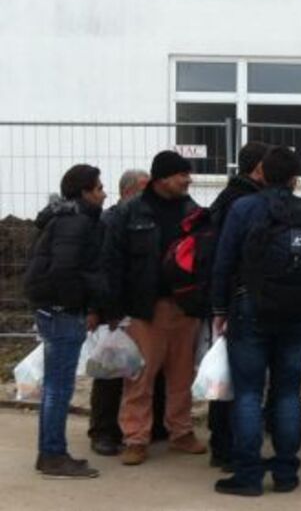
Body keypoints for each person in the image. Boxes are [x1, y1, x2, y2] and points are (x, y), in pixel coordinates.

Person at [210, 147, 301, 496]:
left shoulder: (244, 208)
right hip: (297, 314)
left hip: (250, 309)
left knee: (248, 393)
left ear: (261, 173)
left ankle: (248, 475)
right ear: (295, 179)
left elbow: (224, 261)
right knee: (288, 393)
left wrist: (219, 309)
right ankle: (286, 472)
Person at [102, 151, 207, 466]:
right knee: (140, 377)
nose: (188, 180)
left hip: (185, 309)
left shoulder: (194, 212)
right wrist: (113, 309)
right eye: (182, 175)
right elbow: (112, 262)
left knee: (182, 376)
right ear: (163, 178)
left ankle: (181, 432)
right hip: (146, 310)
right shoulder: (129, 213)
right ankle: (135, 438)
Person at [24, 164, 109, 478]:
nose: (104, 194)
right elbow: (64, 269)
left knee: (55, 386)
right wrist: (76, 305)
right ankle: (52, 455)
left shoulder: (68, 218)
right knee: (58, 388)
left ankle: (50, 452)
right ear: (85, 192)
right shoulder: (75, 222)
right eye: (99, 188)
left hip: (57, 309)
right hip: (62, 312)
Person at [205, 141, 269, 471]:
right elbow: (228, 257)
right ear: (259, 169)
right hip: (238, 301)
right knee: (235, 380)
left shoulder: (230, 197)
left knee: (231, 377)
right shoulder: (244, 203)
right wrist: (223, 307)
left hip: (230, 299)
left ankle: (224, 444)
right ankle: (226, 447)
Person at [87, 169, 154, 457]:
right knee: (112, 371)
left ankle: (145, 428)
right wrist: (99, 309)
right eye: (144, 189)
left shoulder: (149, 220)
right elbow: (98, 267)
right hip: (113, 309)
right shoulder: (110, 221)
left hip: (142, 308)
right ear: (127, 191)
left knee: (143, 370)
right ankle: (104, 431)